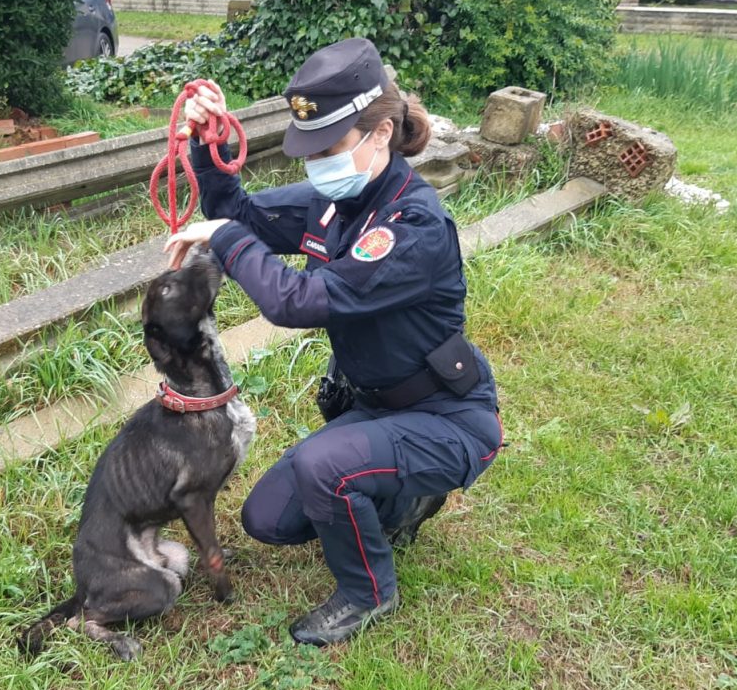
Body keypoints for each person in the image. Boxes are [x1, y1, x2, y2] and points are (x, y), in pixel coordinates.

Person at [164, 38, 503, 646]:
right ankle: (401, 500)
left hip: (449, 417)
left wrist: (226, 239)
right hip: (375, 406)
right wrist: (206, 145)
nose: (316, 162)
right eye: (309, 150)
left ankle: (368, 591)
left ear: (379, 136)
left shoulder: (412, 226)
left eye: (329, 148)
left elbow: (296, 302)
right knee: (266, 519)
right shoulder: (334, 203)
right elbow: (243, 213)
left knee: (326, 469)